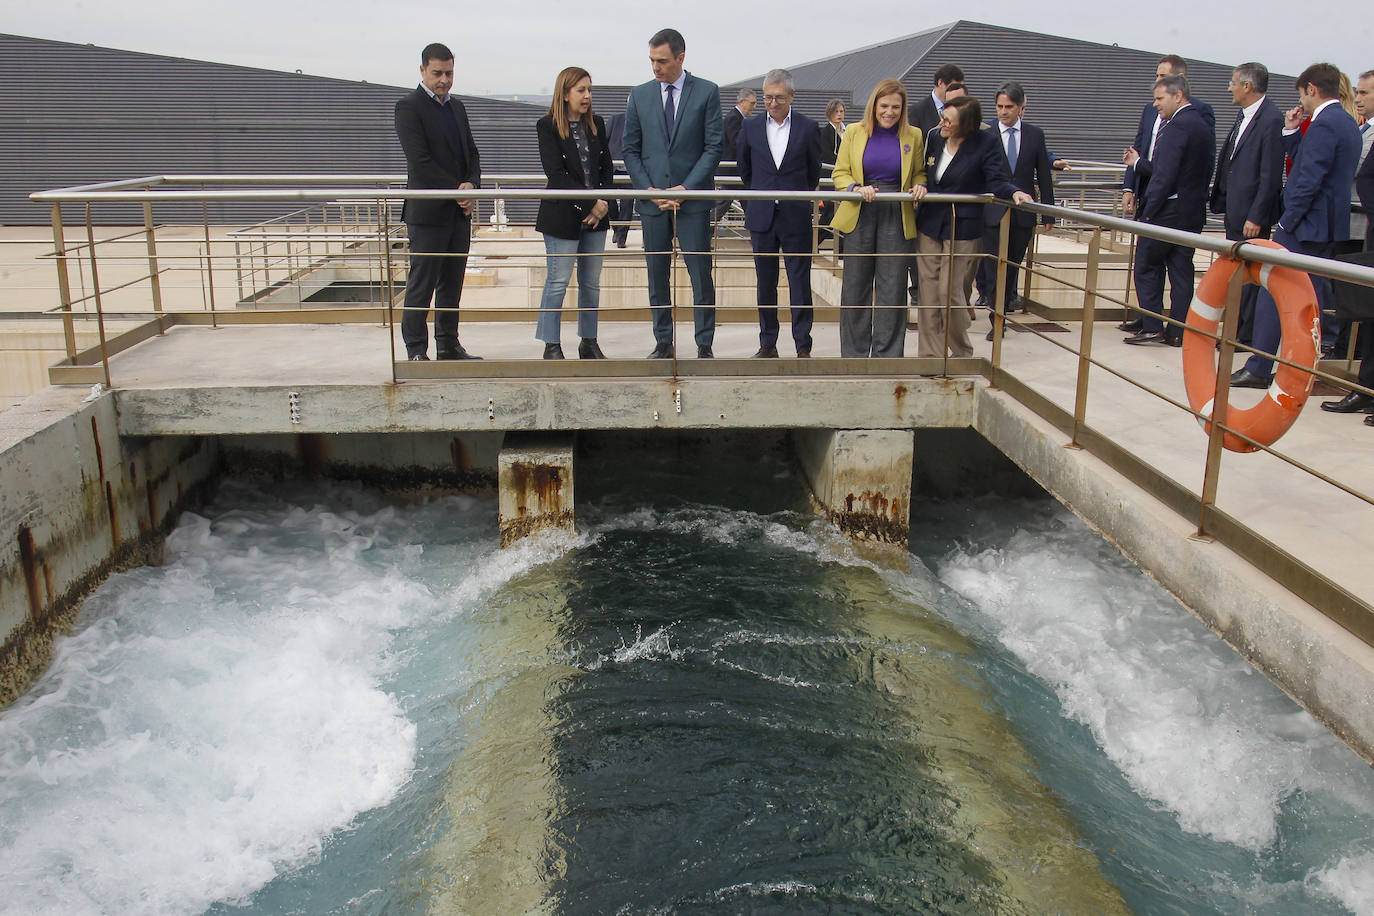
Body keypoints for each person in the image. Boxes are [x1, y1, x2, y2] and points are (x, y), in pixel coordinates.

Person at [1234, 63, 1362, 387]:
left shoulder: (1324, 125)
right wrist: (1291, 133)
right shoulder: (1346, 123)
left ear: (1311, 90)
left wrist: (1285, 222)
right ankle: (1299, 368)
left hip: (1305, 227)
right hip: (1327, 227)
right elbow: (1313, 164)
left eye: (1302, 95)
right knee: (1312, 298)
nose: (1301, 102)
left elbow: (1308, 180)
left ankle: (1259, 366)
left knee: (1271, 291)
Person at [622, 28, 723, 359]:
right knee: (657, 275)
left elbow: (713, 147)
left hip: (692, 203)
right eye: (651, 61)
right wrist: (649, 190)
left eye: (662, 61)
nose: (655, 67)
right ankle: (663, 341)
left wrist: (686, 188)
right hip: (653, 204)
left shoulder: (707, 92)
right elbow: (630, 150)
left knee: (700, 274)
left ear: (680, 58)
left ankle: (704, 344)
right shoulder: (639, 95)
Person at [916, 95, 1031, 358]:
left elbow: (997, 179)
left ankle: (961, 351)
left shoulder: (985, 143)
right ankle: (930, 357)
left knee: (948, 291)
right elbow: (925, 171)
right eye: (943, 117)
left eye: (949, 121)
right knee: (929, 292)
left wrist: (1014, 193)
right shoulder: (935, 138)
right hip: (930, 224)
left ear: (966, 125)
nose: (942, 123)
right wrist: (921, 184)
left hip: (963, 227)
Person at [394, 42, 482, 361]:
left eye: (449, 72)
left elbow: (472, 153)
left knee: (452, 284)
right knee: (422, 283)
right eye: (437, 73)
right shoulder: (408, 107)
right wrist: (459, 189)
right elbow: (420, 162)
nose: (444, 79)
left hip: (459, 213)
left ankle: (448, 343)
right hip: (428, 212)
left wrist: (472, 185)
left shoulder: (456, 107)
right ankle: (416, 349)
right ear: (422, 71)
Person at [831, 79, 927, 358]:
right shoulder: (854, 132)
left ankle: (887, 356)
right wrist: (855, 189)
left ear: (903, 108)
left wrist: (920, 185)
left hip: (896, 212)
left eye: (896, 107)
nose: (889, 112)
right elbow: (840, 172)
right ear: (874, 106)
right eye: (884, 106)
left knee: (893, 287)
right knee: (855, 287)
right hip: (861, 209)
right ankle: (854, 354)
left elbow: (919, 172)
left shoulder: (914, 135)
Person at [1122, 75, 1216, 347]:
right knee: (1181, 271)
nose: (1156, 105)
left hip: (1167, 212)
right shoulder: (1201, 125)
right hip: (1190, 211)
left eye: (1160, 99)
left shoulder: (1177, 126)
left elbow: (1165, 175)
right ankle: (1178, 331)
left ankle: (1152, 326)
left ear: (1178, 96)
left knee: (1146, 266)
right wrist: (1140, 164)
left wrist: (1148, 213)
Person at [736, 68, 823, 358]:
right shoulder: (749, 127)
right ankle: (767, 343)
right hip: (762, 217)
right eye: (768, 98)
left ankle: (802, 345)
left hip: (795, 215)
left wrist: (793, 197)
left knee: (799, 282)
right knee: (765, 283)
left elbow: (813, 173)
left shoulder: (808, 128)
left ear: (792, 96)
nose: (772, 103)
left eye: (779, 98)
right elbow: (745, 169)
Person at [534, 66, 617, 360]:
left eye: (589, 90)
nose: (587, 96)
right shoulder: (547, 126)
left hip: (597, 216)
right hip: (562, 217)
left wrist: (602, 203)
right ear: (565, 92)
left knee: (591, 283)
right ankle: (551, 344)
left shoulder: (596, 123)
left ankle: (589, 342)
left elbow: (607, 168)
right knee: (558, 281)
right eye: (581, 90)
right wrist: (589, 203)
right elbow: (555, 174)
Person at [1208, 62, 1284, 346]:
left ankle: (1243, 334)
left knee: (1249, 276)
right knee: (1235, 272)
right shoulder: (1244, 117)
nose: (1229, 88)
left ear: (1247, 86)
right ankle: (1234, 328)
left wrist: (1257, 216)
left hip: (1251, 218)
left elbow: (1270, 174)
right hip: (1234, 210)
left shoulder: (1270, 119)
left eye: (1233, 82)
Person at [976, 81, 1055, 336]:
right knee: (991, 267)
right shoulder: (985, 132)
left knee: (1011, 266)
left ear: (1021, 107)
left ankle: (1004, 310)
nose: (1003, 111)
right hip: (992, 211)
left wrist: (1049, 212)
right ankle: (995, 318)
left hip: (1023, 213)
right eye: (999, 106)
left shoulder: (1035, 134)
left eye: (1009, 106)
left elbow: (1043, 174)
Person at [716, 89, 757, 221]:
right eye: (752, 103)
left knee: (748, 204)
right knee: (724, 204)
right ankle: (706, 230)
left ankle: (757, 236)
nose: (754, 107)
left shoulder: (738, 118)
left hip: (738, 171)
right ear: (742, 101)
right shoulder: (734, 118)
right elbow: (737, 142)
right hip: (732, 171)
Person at [818, 99, 846, 243]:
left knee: (843, 211)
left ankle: (841, 246)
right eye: (836, 111)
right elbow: (826, 156)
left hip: (844, 179)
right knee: (829, 212)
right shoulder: (825, 132)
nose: (839, 114)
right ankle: (813, 243)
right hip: (829, 178)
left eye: (841, 111)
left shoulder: (847, 131)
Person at [606, 111, 634, 248]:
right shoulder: (615, 119)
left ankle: (622, 238)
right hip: (613, 169)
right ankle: (617, 229)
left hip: (629, 171)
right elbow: (603, 141)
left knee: (627, 205)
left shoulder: (641, 121)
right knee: (609, 202)